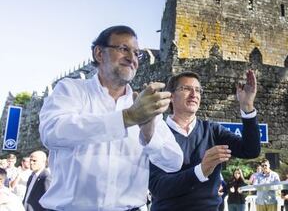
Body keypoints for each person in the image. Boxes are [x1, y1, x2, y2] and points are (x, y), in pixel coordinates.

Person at [38, 25, 183, 210]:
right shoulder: (71, 90)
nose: (132, 58)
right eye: (123, 49)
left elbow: (174, 162)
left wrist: (149, 135)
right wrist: (127, 117)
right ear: (99, 53)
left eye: (136, 53)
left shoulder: (143, 104)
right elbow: (52, 132)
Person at [149, 70, 261, 211]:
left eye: (198, 90)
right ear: (171, 96)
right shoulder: (155, 132)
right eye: (186, 88)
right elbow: (158, 187)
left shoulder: (213, 130)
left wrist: (247, 107)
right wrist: (200, 171)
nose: (194, 94)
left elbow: (250, 150)